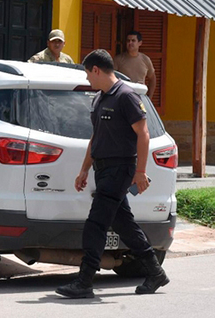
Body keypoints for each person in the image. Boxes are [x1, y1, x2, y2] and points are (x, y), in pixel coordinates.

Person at [55, 49, 169, 299]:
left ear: (96, 70)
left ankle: (84, 281)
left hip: (121, 169)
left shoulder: (125, 96)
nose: (88, 81)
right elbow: (96, 137)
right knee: (123, 223)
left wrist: (140, 171)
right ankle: (155, 272)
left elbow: (143, 134)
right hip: (103, 169)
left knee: (95, 224)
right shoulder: (100, 98)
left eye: (88, 75)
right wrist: (84, 169)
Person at [114, 31, 156, 99]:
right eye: (128, 41)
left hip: (141, 97)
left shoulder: (146, 59)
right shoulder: (118, 59)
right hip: (123, 97)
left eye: (133, 40)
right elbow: (112, 78)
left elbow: (152, 79)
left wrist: (149, 97)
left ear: (140, 43)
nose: (130, 43)